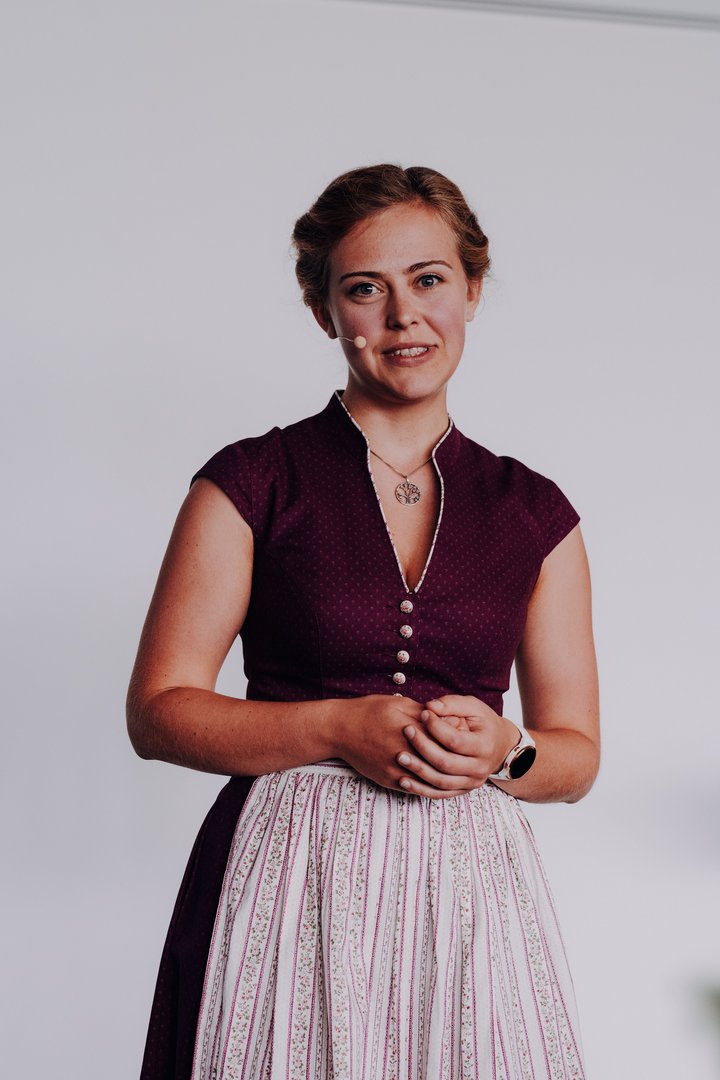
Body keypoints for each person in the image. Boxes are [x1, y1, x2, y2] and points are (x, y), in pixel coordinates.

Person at [128, 164, 600, 1080]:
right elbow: (157, 711)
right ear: (324, 311)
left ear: (472, 289)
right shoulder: (251, 482)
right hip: (283, 873)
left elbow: (575, 753)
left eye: (428, 279)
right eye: (364, 289)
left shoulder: (536, 511)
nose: (403, 316)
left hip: (469, 893)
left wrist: (507, 750)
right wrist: (336, 728)